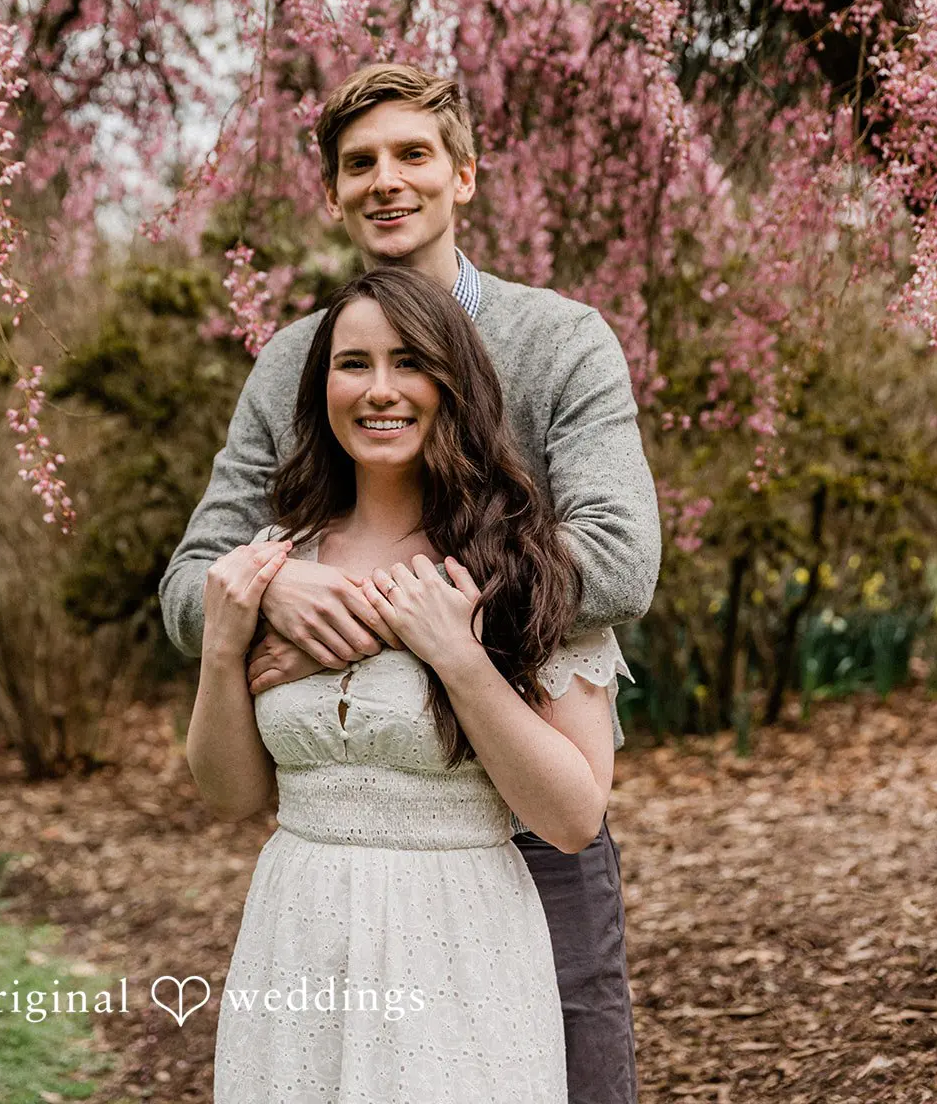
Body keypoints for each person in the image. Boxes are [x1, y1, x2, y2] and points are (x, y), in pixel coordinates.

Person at [161, 62, 661, 1103]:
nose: (385, 180)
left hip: (517, 795)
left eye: (412, 154)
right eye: (359, 164)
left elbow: (617, 560)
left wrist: (395, 610)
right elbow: (192, 580)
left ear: (462, 175)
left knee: (566, 1071)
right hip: (334, 836)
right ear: (333, 193)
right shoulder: (298, 362)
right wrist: (278, 591)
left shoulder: (559, 339)